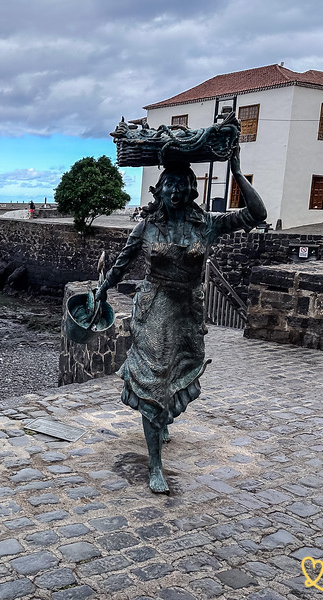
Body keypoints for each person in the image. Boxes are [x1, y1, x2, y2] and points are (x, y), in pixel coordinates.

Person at [94, 147, 266, 494]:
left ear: (191, 190)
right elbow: (121, 264)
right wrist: (101, 290)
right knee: (154, 379)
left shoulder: (208, 226)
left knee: (178, 371)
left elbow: (256, 214)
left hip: (188, 309)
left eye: (181, 185)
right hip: (154, 306)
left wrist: (235, 171)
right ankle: (155, 464)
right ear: (160, 190)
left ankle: (163, 420)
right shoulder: (146, 227)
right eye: (168, 184)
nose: (174, 191)